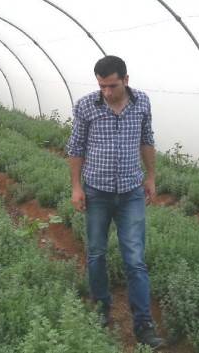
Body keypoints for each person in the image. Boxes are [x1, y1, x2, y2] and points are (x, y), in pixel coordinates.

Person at [66, 55, 166, 349]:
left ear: (125, 79)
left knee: (135, 259)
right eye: (102, 86)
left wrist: (151, 177)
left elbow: (146, 139)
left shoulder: (142, 103)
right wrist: (75, 186)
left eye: (112, 85)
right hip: (96, 192)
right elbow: (76, 147)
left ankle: (144, 324)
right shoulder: (87, 105)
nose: (107, 92)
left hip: (131, 193)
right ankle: (101, 308)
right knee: (96, 253)